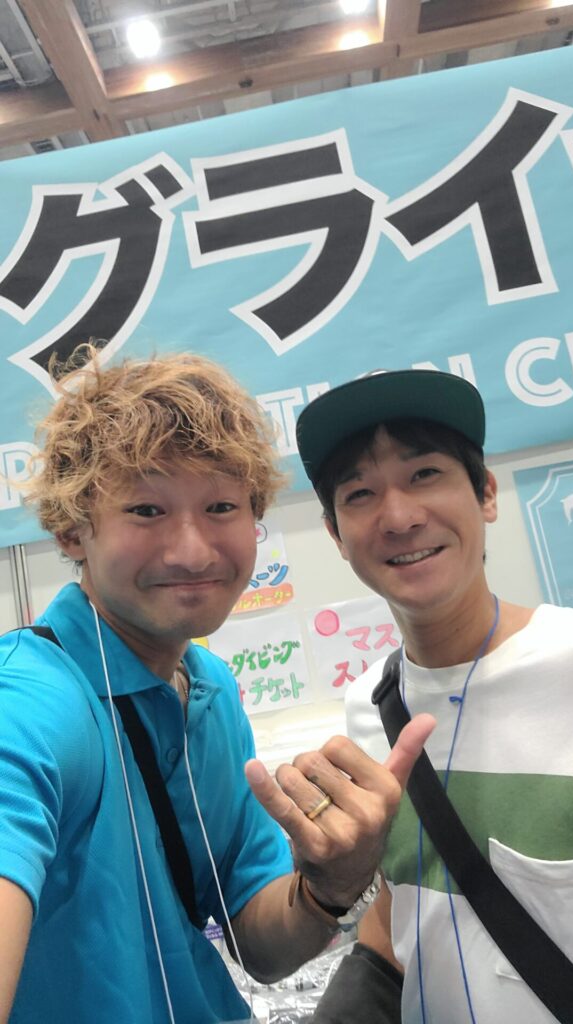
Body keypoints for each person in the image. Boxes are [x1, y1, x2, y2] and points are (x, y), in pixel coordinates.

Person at [0, 349, 433, 1024]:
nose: (193, 551)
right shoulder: (29, 699)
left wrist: (332, 881)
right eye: (147, 509)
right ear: (72, 530)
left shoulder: (208, 689)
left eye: (221, 506)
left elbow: (260, 944)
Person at [295, 368, 573, 1024]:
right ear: (336, 536)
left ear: (486, 493)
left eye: (424, 474)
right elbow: (411, 900)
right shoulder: (369, 705)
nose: (399, 517)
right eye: (360, 493)